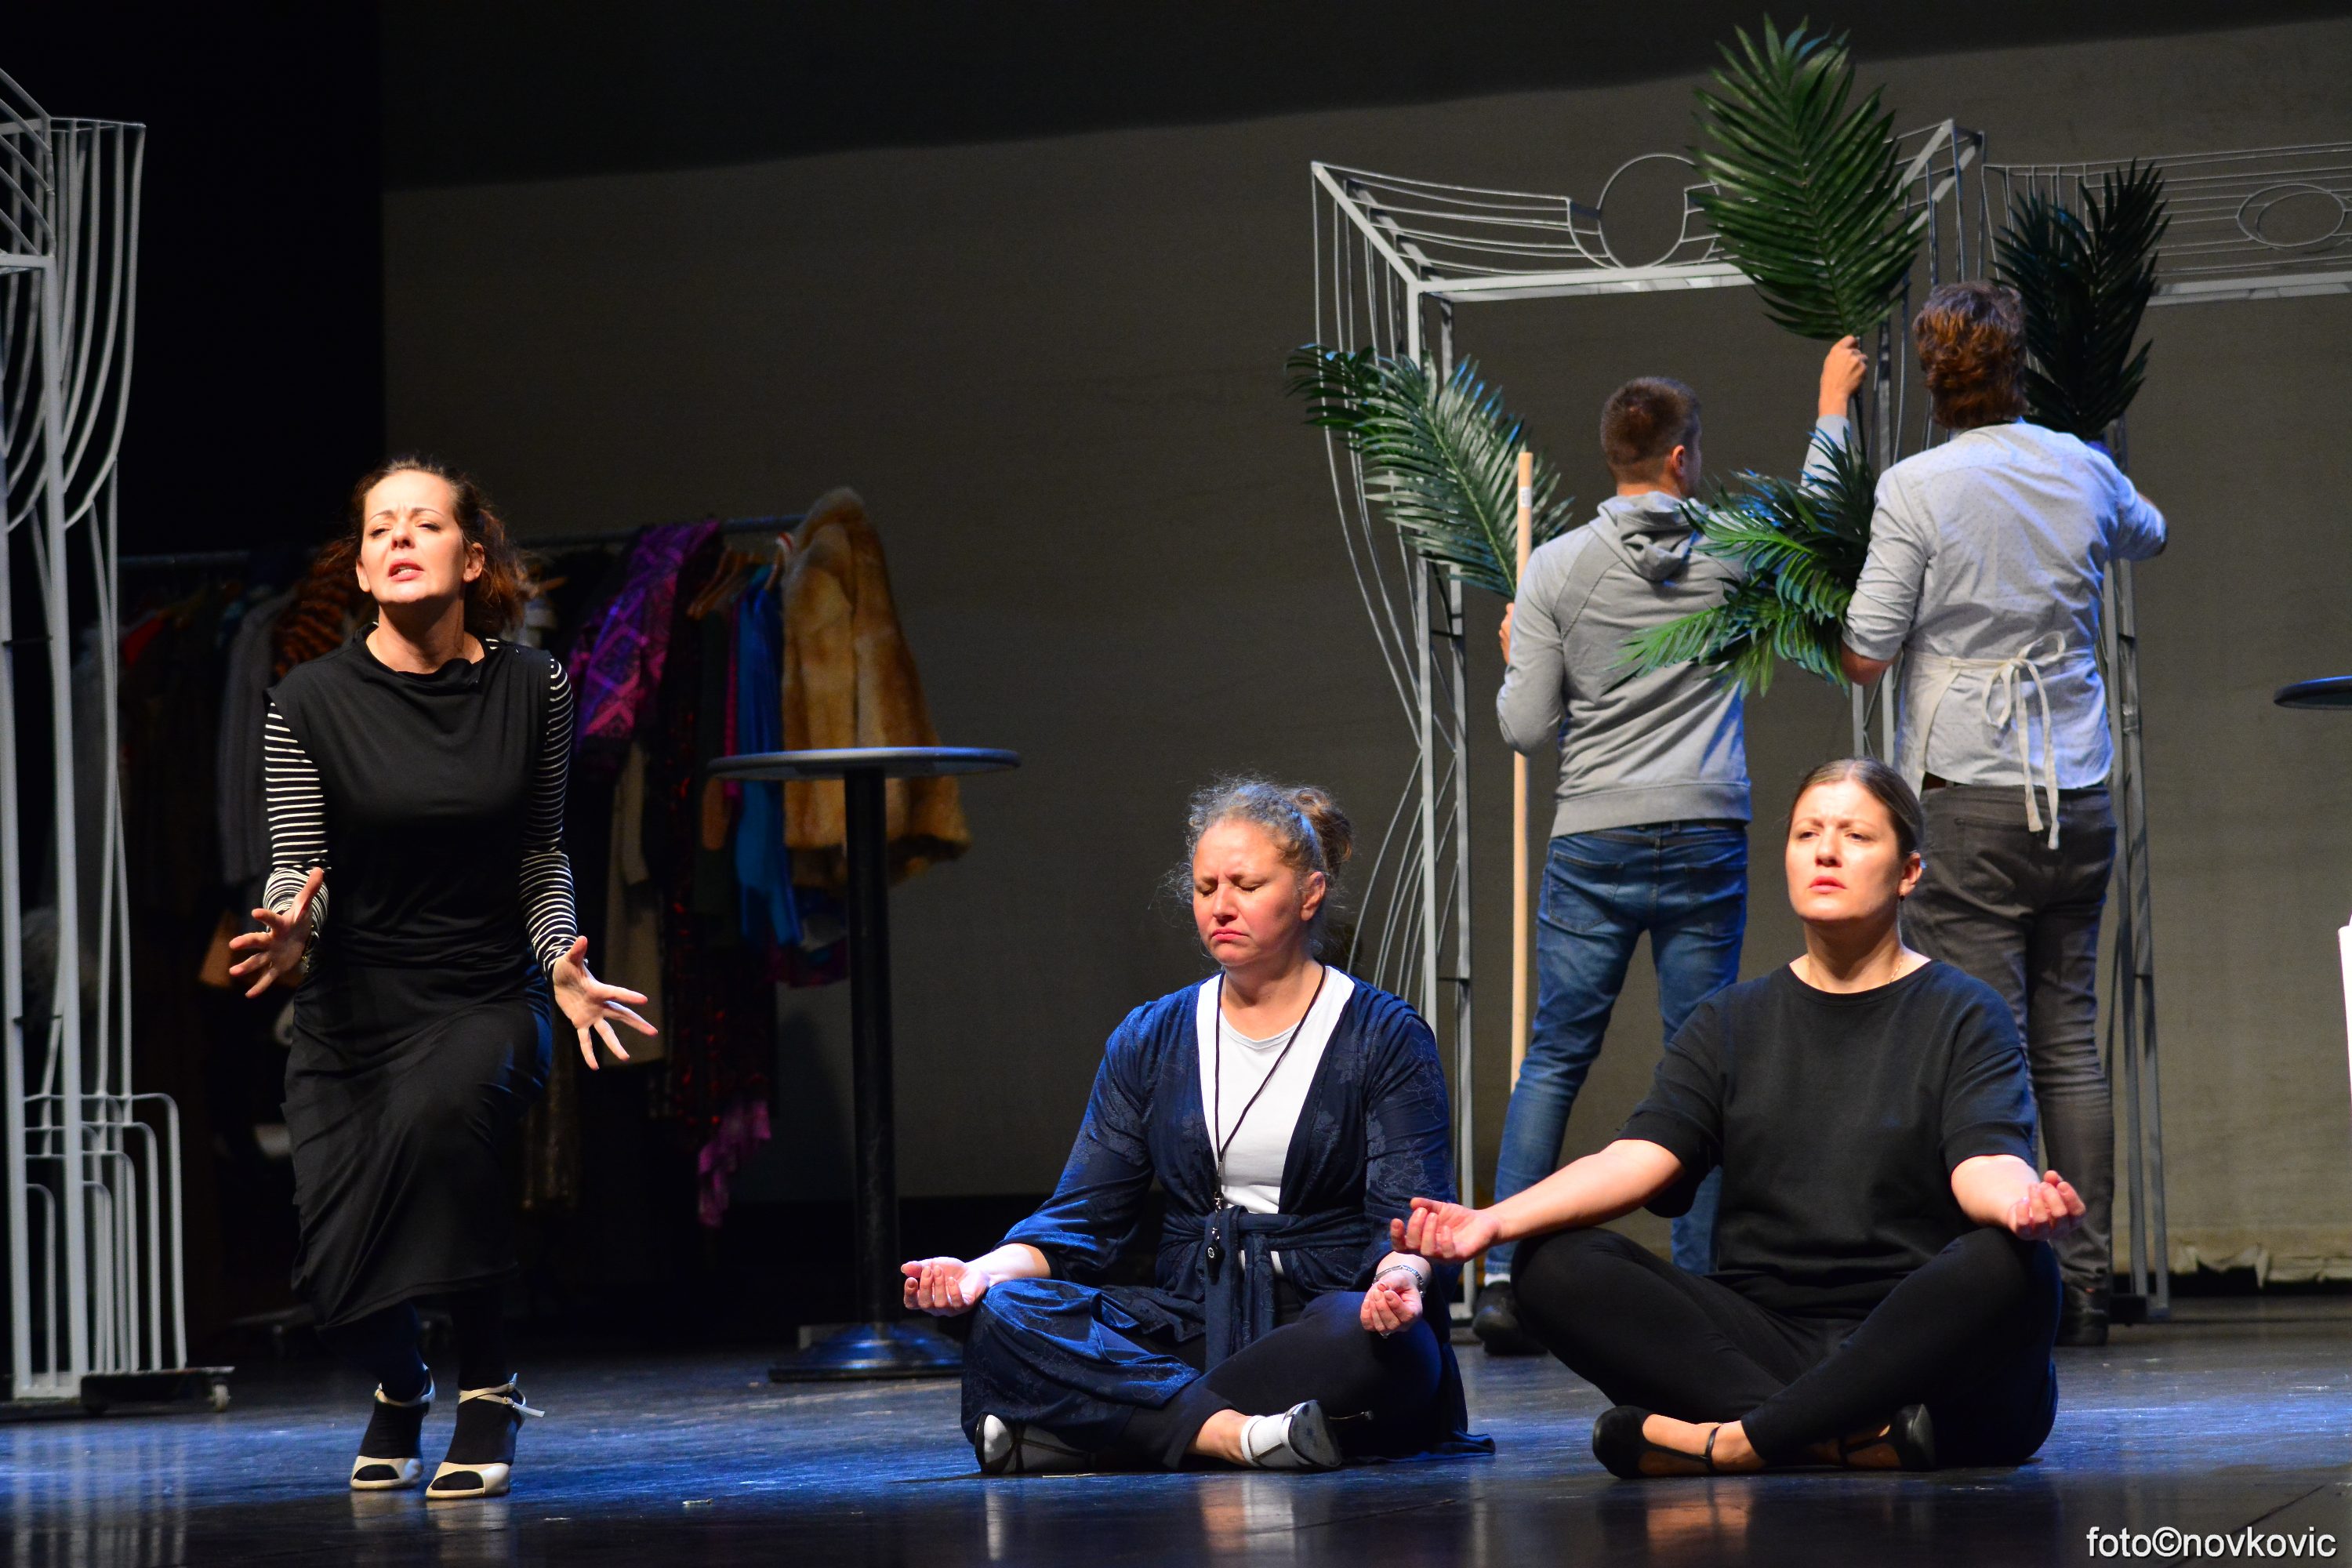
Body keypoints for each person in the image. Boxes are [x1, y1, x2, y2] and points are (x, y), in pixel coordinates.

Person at [1395, 759, 2078, 1475]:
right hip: (1764, 1337)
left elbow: (1984, 1160)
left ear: (1909, 872)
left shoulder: (1965, 1011)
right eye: (1807, 834)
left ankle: (1740, 1441)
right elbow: (1636, 1158)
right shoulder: (1731, 1020)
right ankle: (1837, 1437)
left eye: (1855, 836)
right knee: (1552, 1266)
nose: (1825, 852)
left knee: (2015, 1265)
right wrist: (1494, 1222)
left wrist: (2022, 1205)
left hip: (1912, 1341)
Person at [230, 458, 657, 1500]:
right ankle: (402, 1382)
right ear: (361, 567)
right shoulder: (306, 699)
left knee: (442, 1128)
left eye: (423, 524)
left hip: (484, 992)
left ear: (472, 558)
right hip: (353, 1007)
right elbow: (299, 863)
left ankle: (490, 1382)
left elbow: (541, 854)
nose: (398, 540)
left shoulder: (533, 686)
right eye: (380, 529)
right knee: (335, 1272)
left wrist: (560, 959)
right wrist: (292, 928)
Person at [900, 780, 1486, 1472]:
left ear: (1309, 894)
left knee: (1370, 1344)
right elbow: (1081, 1219)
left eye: (1246, 885)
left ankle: (1104, 1429)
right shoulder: (1151, 1036)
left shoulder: (1383, 1035)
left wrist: (1401, 1280)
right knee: (1008, 1315)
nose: (1221, 906)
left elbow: (1409, 1218)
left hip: (1319, 1318)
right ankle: (1236, 1436)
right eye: (1206, 888)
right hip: (1191, 1319)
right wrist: (976, 1274)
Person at [1479, 340, 1870, 1352]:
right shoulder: (1732, 549)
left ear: (1614, 456)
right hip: (1703, 829)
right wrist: (1831, 406)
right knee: (1702, 1059)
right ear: (1684, 458)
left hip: (1595, 836)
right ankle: (1705, 1279)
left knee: (1556, 1053)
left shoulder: (1558, 567)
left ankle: (1504, 1277)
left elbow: (1525, 730)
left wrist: (1519, 655)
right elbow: (1815, 526)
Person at [1838, 281, 2167, 1347]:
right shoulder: (2080, 465)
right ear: (2018, 368)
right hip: (2077, 786)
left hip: (1970, 787)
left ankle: (2012, 1288)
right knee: (2069, 1038)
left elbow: (1866, 649)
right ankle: (2083, 1283)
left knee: (1990, 1041)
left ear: (1934, 380)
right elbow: (2151, 534)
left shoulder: (1917, 485)